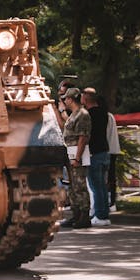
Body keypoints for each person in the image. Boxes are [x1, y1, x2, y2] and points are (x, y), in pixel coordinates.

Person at [59, 87, 92, 229]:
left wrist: (77, 158)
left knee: (80, 186)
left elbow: (82, 137)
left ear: (71, 99)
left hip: (77, 155)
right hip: (70, 154)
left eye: (66, 98)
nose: (64, 100)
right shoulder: (73, 115)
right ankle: (76, 214)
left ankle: (84, 216)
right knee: (72, 187)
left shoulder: (82, 114)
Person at [82, 89, 111, 226]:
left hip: (94, 153)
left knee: (95, 186)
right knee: (102, 186)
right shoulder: (103, 113)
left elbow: (87, 134)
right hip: (104, 151)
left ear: (86, 99)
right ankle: (104, 213)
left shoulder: (88, 115)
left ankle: (99, 215)